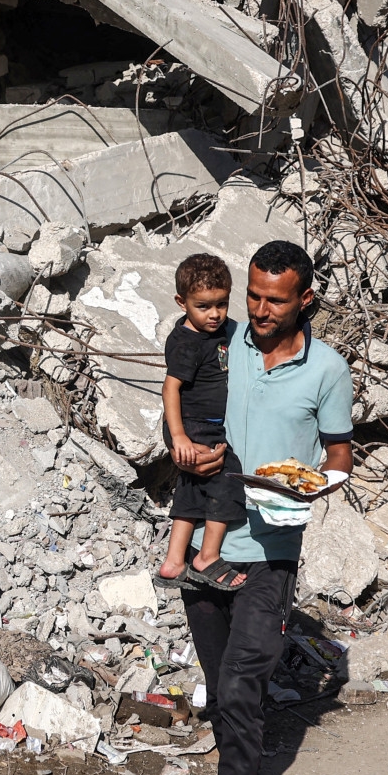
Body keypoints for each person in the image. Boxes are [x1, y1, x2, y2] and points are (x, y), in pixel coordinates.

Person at [181, 240, 354, 775]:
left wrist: (311, 482)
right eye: (252, 294)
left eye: (273, 300)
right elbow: (187, 394)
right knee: (221, 690)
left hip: (270, 553)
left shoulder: (327, 371)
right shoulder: (226, 346)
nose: (257, 309)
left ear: (304, 300)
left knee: (240, 686)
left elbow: (340, 454)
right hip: (209, 541)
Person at [155, 254, 246, 592]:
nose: (215, 314)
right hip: (194, 425)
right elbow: (170, 387)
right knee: (227, 476)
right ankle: (207, 556)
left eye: (222, 304)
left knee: (192, 487)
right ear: (182, 302)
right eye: (204, 306)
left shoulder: (217, 331)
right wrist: (178, 436)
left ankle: (173, 562)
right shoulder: (187, 344)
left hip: (199, 424)